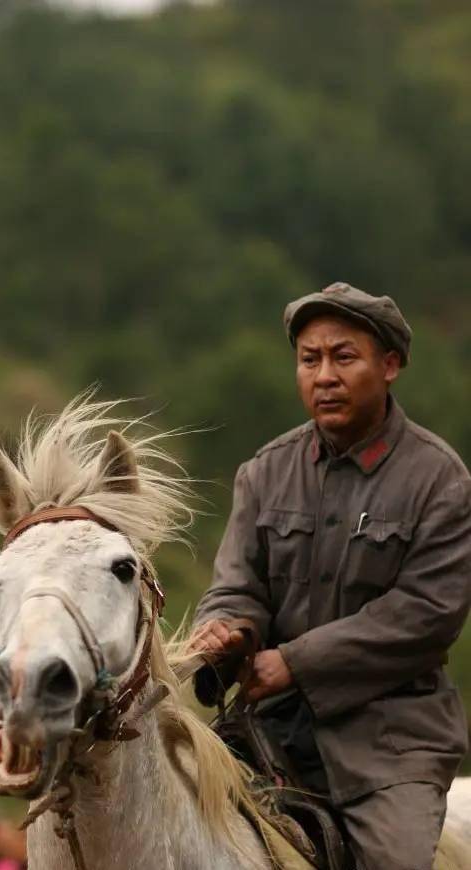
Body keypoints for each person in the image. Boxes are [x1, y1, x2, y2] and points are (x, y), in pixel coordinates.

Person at [190, 282, 471, 870]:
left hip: (391, 747)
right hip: (267, 734)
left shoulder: (440, 480)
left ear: (389, 365)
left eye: (344, 357)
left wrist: (295, 662)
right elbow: (237, 583)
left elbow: (427, 613)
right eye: (309, 359)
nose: (324, 376)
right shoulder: (263, 471)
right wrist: (225, 628)